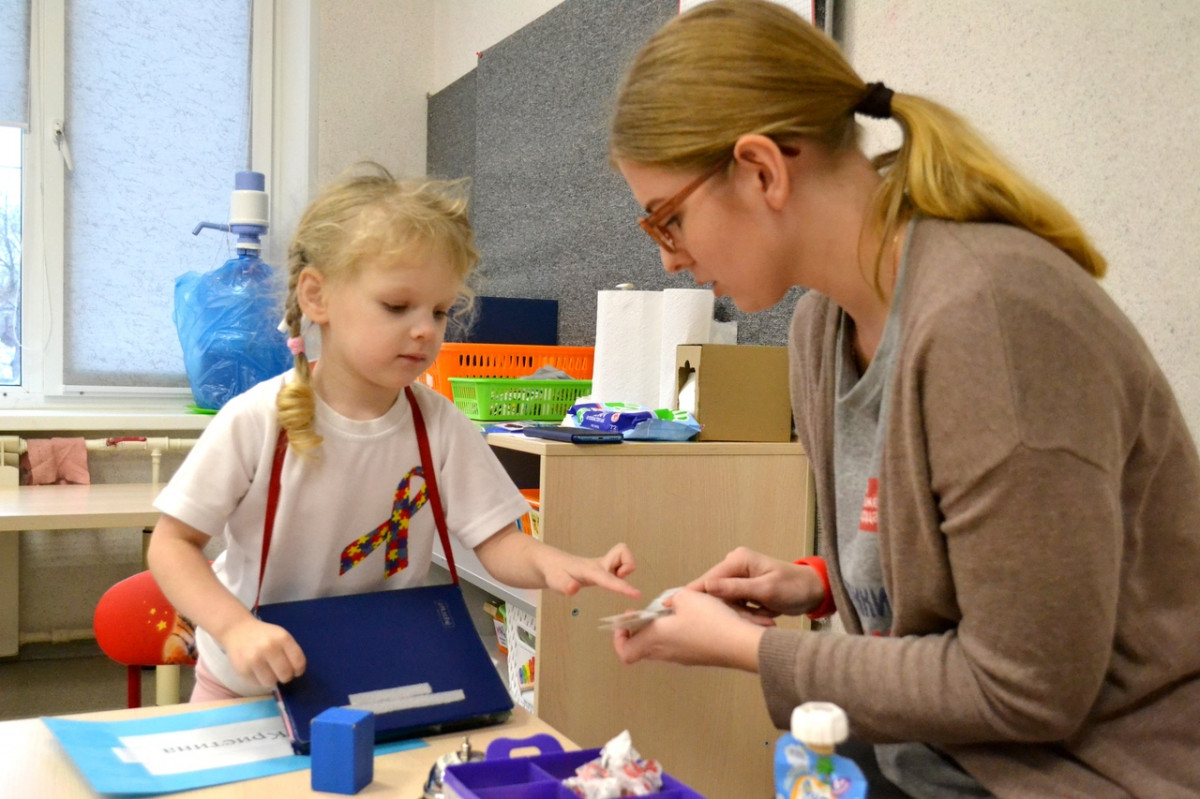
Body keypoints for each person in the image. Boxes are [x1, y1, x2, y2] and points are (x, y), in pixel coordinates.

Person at [606, 1, 1200, 796]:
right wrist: (820, 579)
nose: (672, 262)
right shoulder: (821, 327)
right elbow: (970, 565)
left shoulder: (990, 318)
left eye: (668, 220)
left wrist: (752, 650)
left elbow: (1026, 685)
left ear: (761, 170)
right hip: (925, 760)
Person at [148, 164, 638, 702]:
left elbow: (497, 541)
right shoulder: (255, 420)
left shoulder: (441, 424)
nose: (425, 328)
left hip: (374, 677)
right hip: (246, 686)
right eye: (396, 306)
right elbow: (173, 546)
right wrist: (235, 628)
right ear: (317, 298)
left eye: (440, 310)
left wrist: (556, 563)